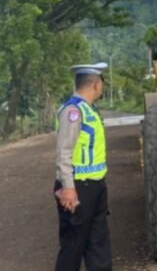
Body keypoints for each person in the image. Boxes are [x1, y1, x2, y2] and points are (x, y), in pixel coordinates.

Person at [54, 62, 111, 271]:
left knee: (98, 243)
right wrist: (68, 188)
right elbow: (63, 152)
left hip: (95, 185)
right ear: (95, 84)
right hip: (77, 187)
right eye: (101, 84)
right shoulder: (73, 112)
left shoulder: (89, 111)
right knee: (73, 245)